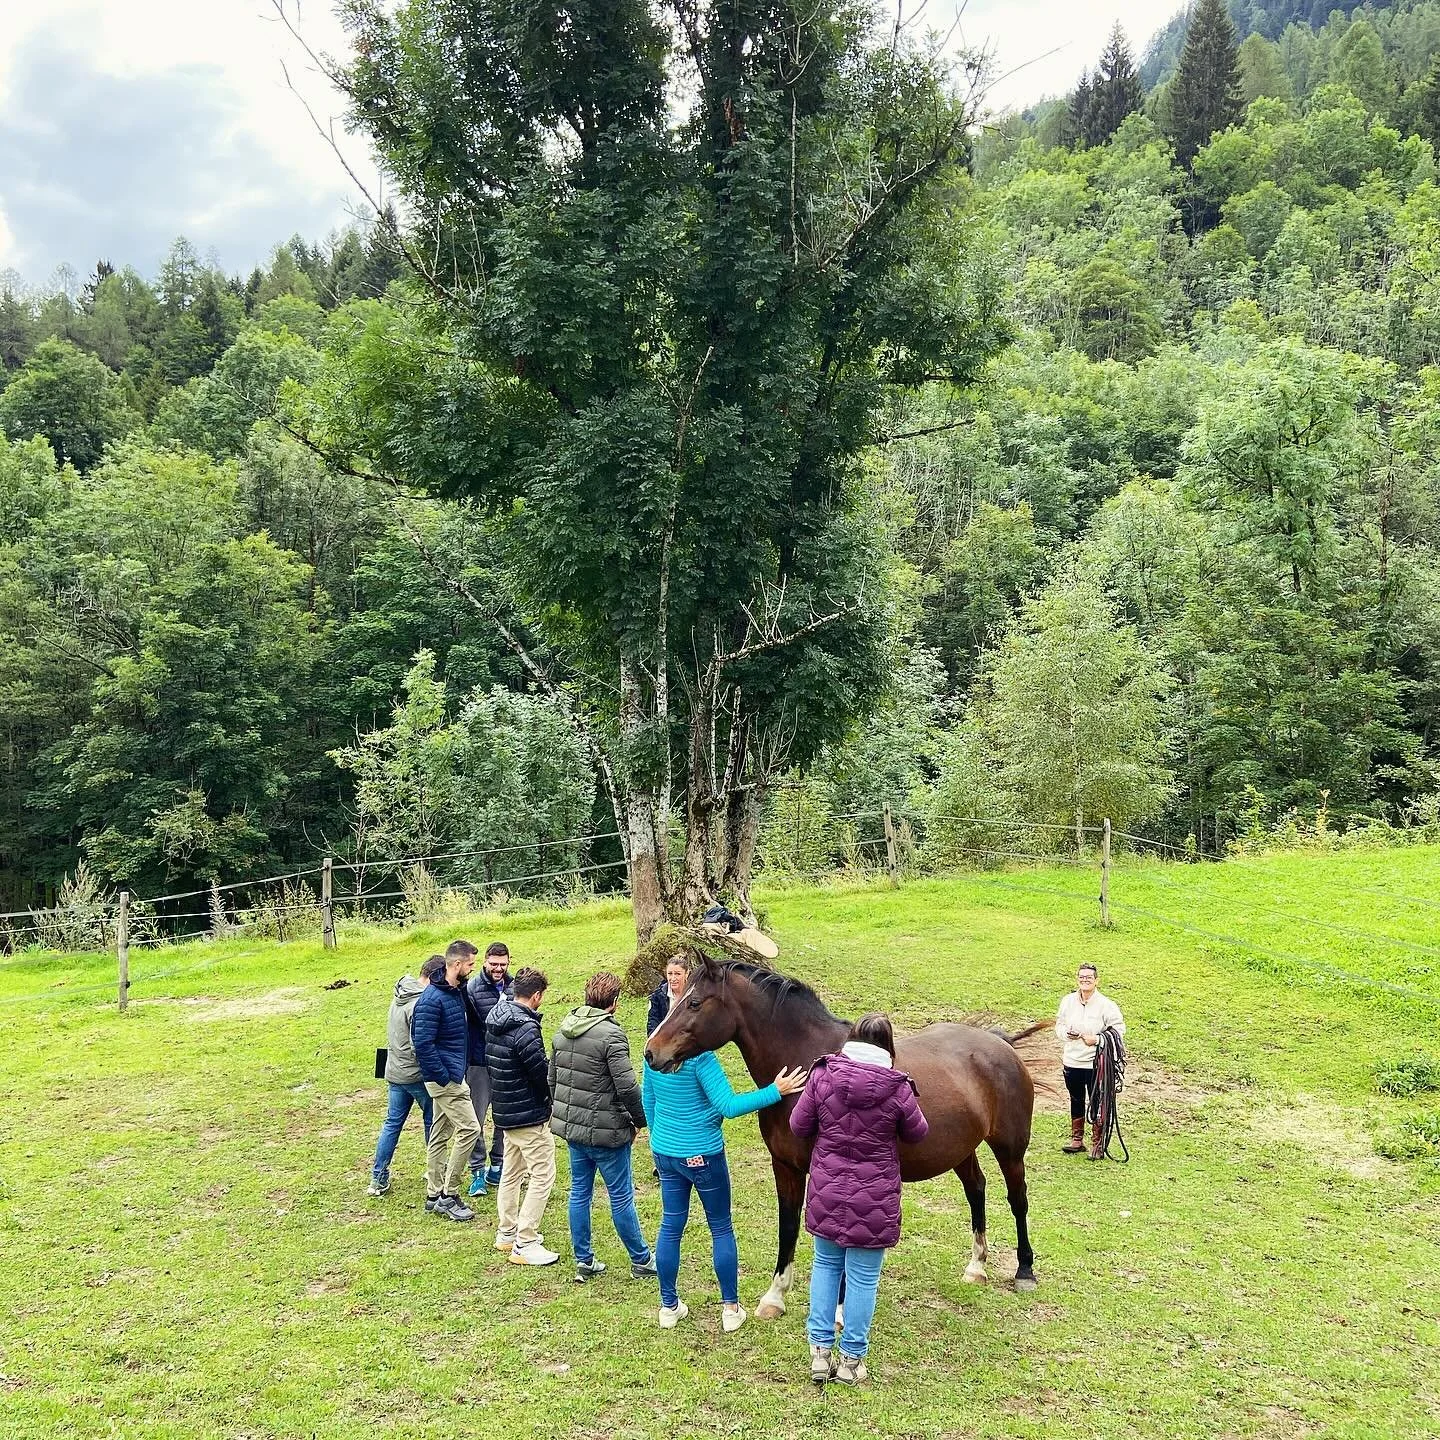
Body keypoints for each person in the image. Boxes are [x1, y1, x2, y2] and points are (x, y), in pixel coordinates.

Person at [789, 1013, 928, 1385]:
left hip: (827, 1189)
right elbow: (918, 1133)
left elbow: (799, 1125)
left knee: (825, 1267)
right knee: (864, 1279)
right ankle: (852, 1360)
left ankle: (819, 1353)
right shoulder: (897, 1088)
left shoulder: (822, 1076)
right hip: (876, 1197)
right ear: (888, 1046)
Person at [642, 1046, 806, 1332]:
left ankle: (668, 1307)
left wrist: (661, 1142)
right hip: (703, 1156)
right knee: (720, 1227)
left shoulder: (653, 1054)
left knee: (670, 1226)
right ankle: (730, 1309)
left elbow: (648, 1102)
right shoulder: (701, 1060)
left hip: (666, 1154)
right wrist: (775, 1091)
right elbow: (728, 1106)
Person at [550, 971, 656, 1284]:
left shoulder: (561, 1031)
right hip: (608, 1134)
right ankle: (641, 1259)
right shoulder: (611, 1036)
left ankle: (584, 1259)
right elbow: (627, 1086)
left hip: (573, 1131)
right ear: (614, 1002)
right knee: (621, 1196)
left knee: (579, 1193)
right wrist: (641, 1121)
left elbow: (552, 1081)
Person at [486, 966, 558, 1266]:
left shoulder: (496, 1018)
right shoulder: (526, 1028)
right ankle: (525, 1241)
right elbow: (540, 1072)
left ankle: (507, 1231)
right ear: (537, 995)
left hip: (504, 1110)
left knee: (511, 1172)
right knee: (543, 1175)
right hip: (528, 1114)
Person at [412, 939, 481, 1221]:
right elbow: (423, 1044)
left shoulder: (454, 991)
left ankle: (433, 1192)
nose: (472, 969)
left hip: (452, 1073)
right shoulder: (431, 1000)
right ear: (456, 965)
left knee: (440, 1134)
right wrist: (444, 1076)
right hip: (446, 1079)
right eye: (470, 964)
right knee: (470, 1130)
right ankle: (448, 1195)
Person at [367, 954, 446, 1196]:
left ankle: (378, 1178)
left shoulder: (399, 996)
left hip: (395, 1073)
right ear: (434, 977)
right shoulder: (420, 1003)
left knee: (392, 1124)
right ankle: (435, 1173)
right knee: (432, 1122)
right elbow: (419, 1045)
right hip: (416, 1075)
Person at [1055, 961, 1127, 1158]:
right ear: (1077, 979)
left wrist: (1097, 1040)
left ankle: (1098, 1143)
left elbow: (1119, 1031)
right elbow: (1059, 1025)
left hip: (1095, 1063)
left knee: (1097, 1100)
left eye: (1089, 978)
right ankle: (1077, 1139)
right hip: (1072, 1060)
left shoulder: (1107, 1005)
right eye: (1082, 977)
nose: (1085, 980)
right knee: (1075, 1098)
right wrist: (1066, 1034)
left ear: (1096, 981)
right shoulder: (1067, 1001)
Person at [464, 941, 513, 1197]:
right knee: (476, 1119)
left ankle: (498, 1163)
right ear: (485, 961)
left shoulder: (514, 987)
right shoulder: (472, 989)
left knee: (504, 1117)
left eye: (503, 965)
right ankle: (477, 1171)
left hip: (505, 1063)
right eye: (494, 964)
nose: (498, 969)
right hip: (479, 1063)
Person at [647, 957, 689, 1037]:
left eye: (677, 974)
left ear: (686, 974)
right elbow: (652, 1026)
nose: (673, 978)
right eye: (670, 974)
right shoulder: (657, 997)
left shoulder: (696, 994)